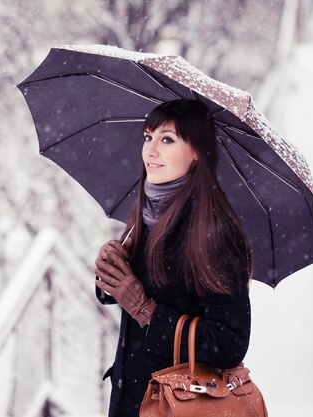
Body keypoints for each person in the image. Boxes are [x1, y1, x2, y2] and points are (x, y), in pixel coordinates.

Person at [94, 99, 253, 417]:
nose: (150, 151)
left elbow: (228, 342)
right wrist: (112, 272)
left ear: (197, 152)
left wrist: (146, 311)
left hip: (179, 406)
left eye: (167, 139)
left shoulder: (215, 234)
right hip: (133, 400)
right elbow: (139, 291)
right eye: (147, 137)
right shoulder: (146, 217)